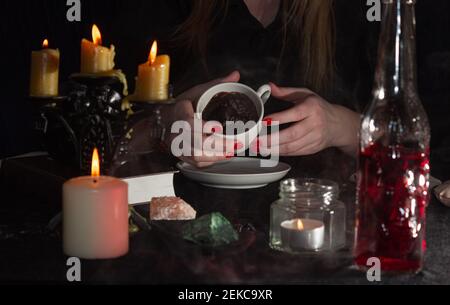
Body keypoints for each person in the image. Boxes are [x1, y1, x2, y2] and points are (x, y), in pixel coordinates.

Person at [161, 0, 377, 168]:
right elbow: (131, 135)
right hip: (180, 212)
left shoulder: (359, 10)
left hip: (314, 207)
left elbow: (400, 141)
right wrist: (165, 125)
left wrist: (339, 126)